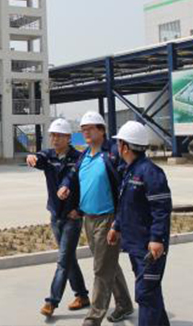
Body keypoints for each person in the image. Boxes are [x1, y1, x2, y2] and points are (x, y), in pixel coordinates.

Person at [61, 111, 134, 326]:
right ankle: (124, 304)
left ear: (102, 130)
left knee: (101, 268)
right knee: (108, 264)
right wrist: (66, 189)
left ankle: (93, 318)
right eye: (83, 129)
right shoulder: (84, 155)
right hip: (88, 218)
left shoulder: (112, 153)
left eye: (90, 128)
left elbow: (126, 182)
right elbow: (73, 177)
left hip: (107, 218)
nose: (85, 132)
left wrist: (120, 221)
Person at [108, 121, 172, 326]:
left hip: (149, 247)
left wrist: (157, 239)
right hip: (136, 245)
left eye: (119, 143)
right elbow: (126, 205)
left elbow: (161, 209)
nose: (117, 147)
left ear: (125, 147)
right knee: (150, 291)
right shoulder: (129, 170)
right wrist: (116, 226)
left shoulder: (150, 172)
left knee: (145, 293)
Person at [26, 118, 90, 317]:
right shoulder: (49, 156)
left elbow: (86, 186)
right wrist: (32, 157)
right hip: (56, 215)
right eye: (52, 135)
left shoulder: (78, 158)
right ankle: (82, 295)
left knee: (63, 260)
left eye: (59, 136)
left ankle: (52, 302)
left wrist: (79, 210)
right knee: (69, 258)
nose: (55, 139)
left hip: (72, 217)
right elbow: (39, 158)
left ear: (68, 138)